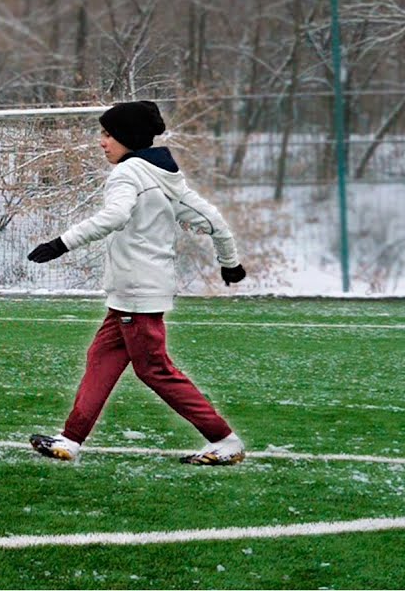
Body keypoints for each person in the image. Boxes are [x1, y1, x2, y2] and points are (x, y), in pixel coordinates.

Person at [27, 100, 247, 466]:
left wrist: (59, 244)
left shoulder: (129, 174)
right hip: (132, 294)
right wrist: (231, 263)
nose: (101, 142)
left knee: (155, 370)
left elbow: (114, 216)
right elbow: (213, 219)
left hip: (138, 294)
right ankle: (70, 440)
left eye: (107, 134)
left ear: (127, 137)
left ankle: (224, 439)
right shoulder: (163, 176)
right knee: (101, 358)